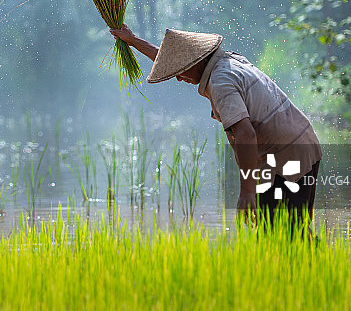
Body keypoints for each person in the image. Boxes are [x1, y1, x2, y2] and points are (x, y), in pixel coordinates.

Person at [110, 24, 322, 230]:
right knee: (284, 234)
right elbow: (172, 61)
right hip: (298, 145)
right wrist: (134, 41)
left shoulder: (221, 82)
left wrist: (247, 192)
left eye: (181, 70)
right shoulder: (228, 61)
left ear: (195, 62)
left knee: (285, 234)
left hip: (287, 155)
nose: (178, 77)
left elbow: (246, 135)